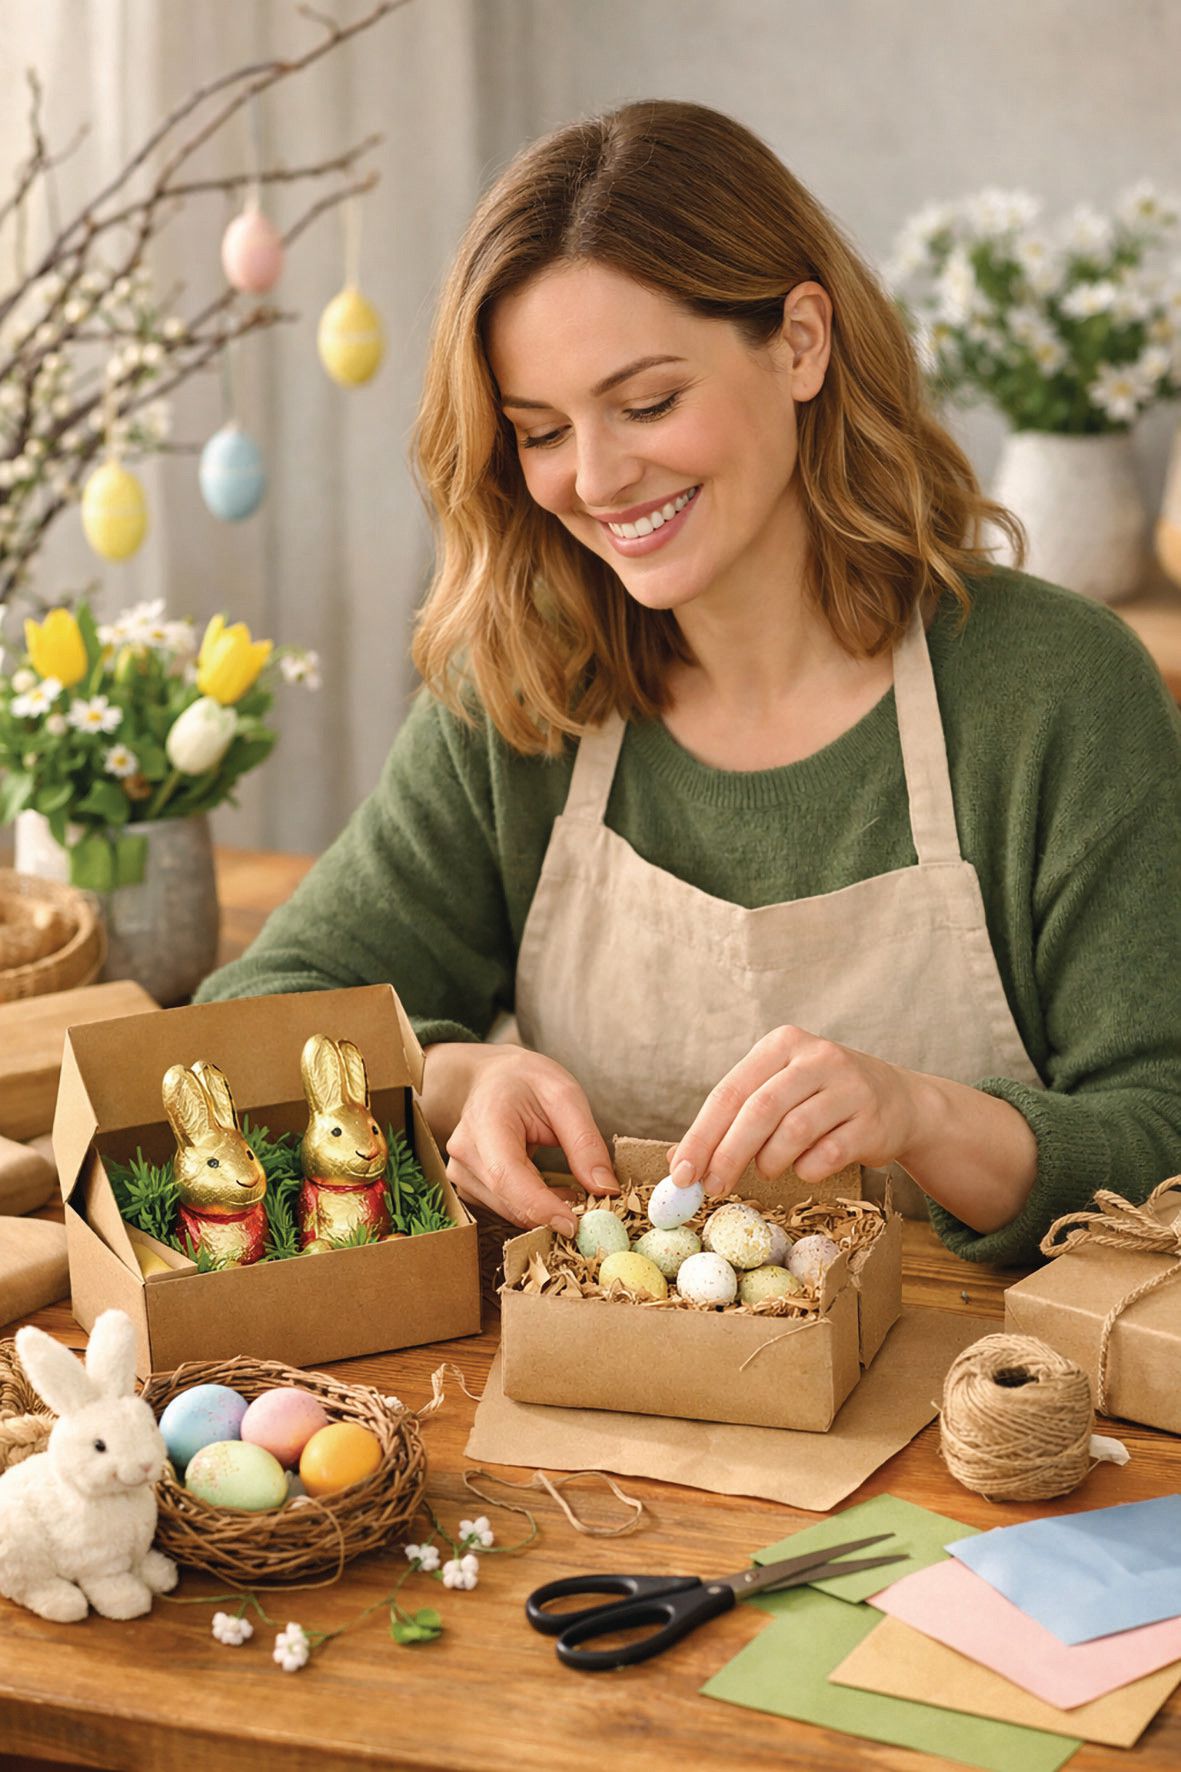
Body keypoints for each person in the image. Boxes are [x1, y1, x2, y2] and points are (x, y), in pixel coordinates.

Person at [195, 99, 1181, 1265]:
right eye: (539, 430)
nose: (597, 478)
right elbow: (253, 1017)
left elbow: (1160, 1129)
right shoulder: (524, 680)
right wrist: (455, 1073)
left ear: (800, 341)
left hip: (979, 1411)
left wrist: (923, 1114)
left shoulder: (1050, 687)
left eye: (647, 402)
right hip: (590, 1413)